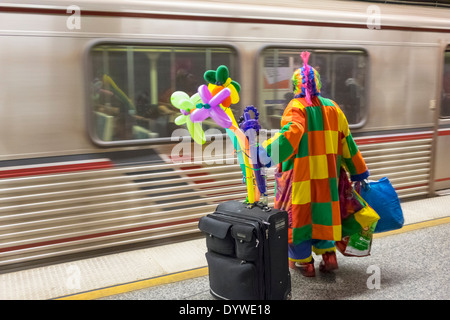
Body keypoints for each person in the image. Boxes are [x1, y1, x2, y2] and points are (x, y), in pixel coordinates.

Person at [258, 52, 369, 277]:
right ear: (318, 84)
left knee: (298, 220)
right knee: (324, 215)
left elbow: (291, 135)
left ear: (295, 86)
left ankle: (304, 263)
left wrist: (263, 153)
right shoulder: (333, 108)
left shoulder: (295, 107)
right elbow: (347, 142)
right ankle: (328, 256)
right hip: (328, 179)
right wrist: (358, 171)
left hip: (301, 179)